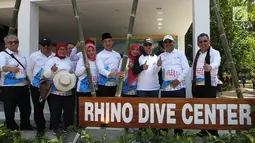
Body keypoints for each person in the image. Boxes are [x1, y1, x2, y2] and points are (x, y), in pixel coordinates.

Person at [0, 34, 35, 130]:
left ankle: (25, 125)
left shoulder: (21, 55)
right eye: (10, 42)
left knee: (26, 108)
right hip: (9, 87)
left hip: (23, 85)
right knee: (10, 108)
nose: (13, 44)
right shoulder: (3, 55)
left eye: (15, 42)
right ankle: (11, 127)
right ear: (6, 44)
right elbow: (1, 67)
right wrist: (10, 68)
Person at [158, 35, 189, 135]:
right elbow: (155, 71)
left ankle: (178, 132)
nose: (168, 44)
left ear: (173, 43)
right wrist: (157, 65)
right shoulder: (161, 56)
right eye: (165, 42)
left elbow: (186, 68)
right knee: (165, 111)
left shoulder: (180, 54)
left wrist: (178, 80)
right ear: (164, 44)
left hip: (179, 88)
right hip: (166, 89)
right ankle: (164, 132)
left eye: (169, 41)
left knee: (179, 111)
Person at [192, 33, 221, 137]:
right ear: (198, 44)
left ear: (209, 42)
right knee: (200, 110)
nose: (203, 43)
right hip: (198, 86)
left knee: (211, 110)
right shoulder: (198, 54)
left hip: (210, 86)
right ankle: (203, 130)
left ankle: (213, 133)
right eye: (200, 41)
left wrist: (210, 67)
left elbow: (217, 62)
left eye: (205, 41)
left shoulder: (214, 52)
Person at [44, 43, 75, 135]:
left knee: (68, 110)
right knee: (56, 111)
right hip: (55, 91)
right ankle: (56, 128)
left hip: (68, 90)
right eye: (60, 49)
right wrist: (52, 71)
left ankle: (67, 127)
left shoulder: (69, 61)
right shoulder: (51, 60)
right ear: (57, 50)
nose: (62, 51)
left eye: (64, 49)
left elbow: (73, 73)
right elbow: (46, 75)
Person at [27, 38, 55, 136]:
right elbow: (29, 70)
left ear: (51, 45)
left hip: (51, 86)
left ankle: (53, 125)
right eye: (44, 45)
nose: (46, 47)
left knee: (54, 106)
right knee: (38, 107)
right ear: (40, 46)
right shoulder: (34, 56)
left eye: (48, 45)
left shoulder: (54, 56)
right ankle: (40, 128)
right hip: (37, 86)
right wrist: (34, 83)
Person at [75, 43, 98, 125]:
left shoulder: (96, 60)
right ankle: (80, 124)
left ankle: (90, 123)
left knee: (91, 108)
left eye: (92, 50)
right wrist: (84, 67)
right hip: (83, 88)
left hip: (94, 88)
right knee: (82, 108)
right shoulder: (82, 60)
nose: (91, 52)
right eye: (88, 51)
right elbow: (77, 73)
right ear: (85, 52)